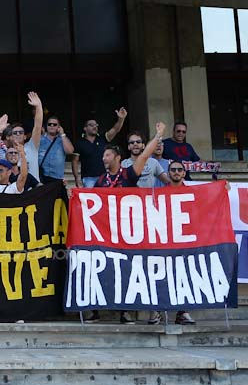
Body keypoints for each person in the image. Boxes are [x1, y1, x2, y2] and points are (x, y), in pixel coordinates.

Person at [89, 121, 165, 325]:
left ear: (117, 158)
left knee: (133, 269)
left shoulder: (128, 174)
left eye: (107, 155)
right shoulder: (100, 180)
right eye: (103, 155)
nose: (103, 158)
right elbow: (89, 204)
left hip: (131, 230)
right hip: (108, 232)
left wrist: (158, 135)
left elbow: (145, 155)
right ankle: (107, 311)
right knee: (110, 269)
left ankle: (139, 311)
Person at [144, 162, 197, 326]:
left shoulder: (194, 192)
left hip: (185, 242)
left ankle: (183, 312)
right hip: (164, 242)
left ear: (184, 173)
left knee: (184, 276)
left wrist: (225, 189)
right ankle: (157, 311)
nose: (176, 172)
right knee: (160, 275)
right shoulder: (158, 193)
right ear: (168, 173)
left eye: (179, 170)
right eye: (173, 170)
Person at [75, 108, 127, 187]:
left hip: (104, 177)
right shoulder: (80, 143)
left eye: (96, 125)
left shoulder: (102, 138)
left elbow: (115, 130)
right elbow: (74, 161)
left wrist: (121, 119)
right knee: (91, 199)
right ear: (85, 128)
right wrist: (77, 178)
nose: (95, 127)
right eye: (91, 125)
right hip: (88, 178)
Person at [37, 114, 75, 185]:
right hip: (42, 177)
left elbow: (70, 151)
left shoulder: (62, 140)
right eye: (49, 124)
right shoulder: (40, 140)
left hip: (57, 178)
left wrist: (63, 134)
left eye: (54, 124)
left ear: (59, 127)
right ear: (46, 126)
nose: (52, 126)